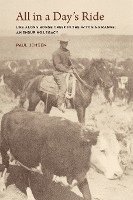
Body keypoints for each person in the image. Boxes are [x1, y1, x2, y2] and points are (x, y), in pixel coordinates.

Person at [52, 34, 73, 112]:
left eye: (66, 42)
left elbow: (69, 62)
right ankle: (60, 104)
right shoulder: (56, 53)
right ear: (60, 43)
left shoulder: (68, 52)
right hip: (58, 73)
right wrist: (67, 70)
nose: (66, 44)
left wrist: (73, 66)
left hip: (67, 72)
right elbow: (58, 65)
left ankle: (70, 102)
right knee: (63, 87)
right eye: (64, 42)